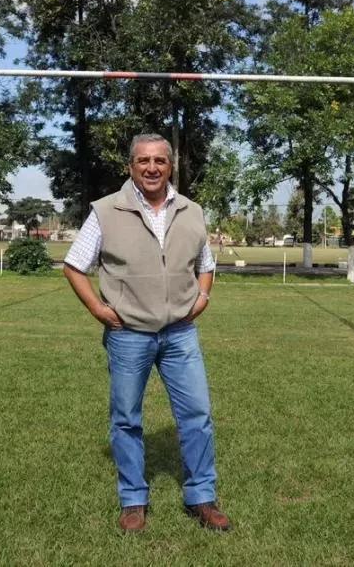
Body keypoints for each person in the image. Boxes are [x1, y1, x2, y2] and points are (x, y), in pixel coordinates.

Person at [63, 133, 231, 533]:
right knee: (126, 419)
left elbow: (204, 262)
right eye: (143, 161)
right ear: (131, 167)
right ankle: (133, 501)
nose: (152, 168)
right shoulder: (105, 210)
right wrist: (97, 308)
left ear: (170, 165)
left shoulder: (192, 211)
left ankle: (201, 497)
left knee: (197, 416)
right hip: (128, 335)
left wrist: (203, 296)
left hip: (180, 333)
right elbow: (74, 265)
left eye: (159, 160)